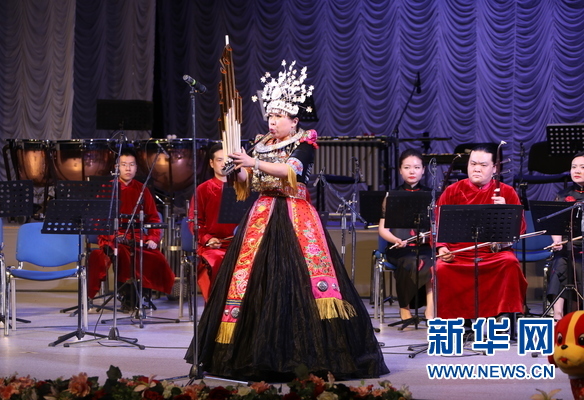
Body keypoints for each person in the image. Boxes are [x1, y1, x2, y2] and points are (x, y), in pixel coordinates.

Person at [185, 61, 388, 381]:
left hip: (295, 214)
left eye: (279, 116)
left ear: (294, 121)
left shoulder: (305, 142)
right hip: (262, 214)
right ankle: (251, 353)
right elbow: (250, 180)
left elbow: (290, 171)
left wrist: (252, 162)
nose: (273, 120)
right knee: (253, 280)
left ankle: (309, 355)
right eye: (270, 115)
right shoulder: (259, 143)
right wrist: (237, 169)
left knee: (301, 280)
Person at [435, 144, 527, 319]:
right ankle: (458, 320)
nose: (477, 169)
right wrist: (442, 248)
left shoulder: (507, 192)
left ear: (494, 168)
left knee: (509, 263)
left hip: (493, 253)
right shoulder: (452, 191)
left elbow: (520, 229)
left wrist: (507, 212)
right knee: (442, 268)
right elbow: (437, 224)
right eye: (473, 164)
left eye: (483, 165)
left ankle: (502, 315)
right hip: (459, 253)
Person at [87, 148, 175, 311]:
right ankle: (128, 297)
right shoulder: (108, 189)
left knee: (156, 256)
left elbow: (153, 218)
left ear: (136, 168)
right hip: (114, 238)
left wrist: (153, 238)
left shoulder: (142, 189)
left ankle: (143, 295)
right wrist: (114, 237)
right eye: (124, 165)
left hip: (137, 236)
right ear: (117, 167)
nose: (128, 168)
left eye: (132, 165)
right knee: (124, 254)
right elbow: (100, 221)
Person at [378, 149, 433, 324]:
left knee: (433, 261)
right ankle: (405, 308)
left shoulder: (431, 195)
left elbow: (436, 226)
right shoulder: (392, 196)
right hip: (400, 248)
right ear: (400, 170)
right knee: (409, 260)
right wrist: (395, 240)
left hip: (424, 247)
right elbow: (383, 229)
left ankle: (430, 309)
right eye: (407, 167)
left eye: (416, 167)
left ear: (423, 170)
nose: (412, 171)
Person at [188, 143, 238, 301]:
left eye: (226, 160)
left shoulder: (241, 188)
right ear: (211, 163)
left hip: (236, 244)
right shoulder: (203, 189)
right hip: (212, 246)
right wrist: (208, 239)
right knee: (217, 260)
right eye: (219, 160)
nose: (223, 164)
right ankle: (217, 306)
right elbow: (194, 222)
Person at [547, 151, 584, 320]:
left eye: (582, 167)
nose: (577, 170)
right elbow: (556, 225)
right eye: (574, 167)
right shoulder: (563, 195)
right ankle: (558, 316)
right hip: (569, 245)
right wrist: (557, 241)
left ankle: (577, 314)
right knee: (560, 259)